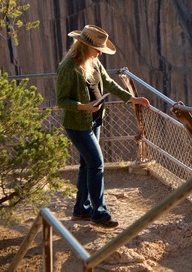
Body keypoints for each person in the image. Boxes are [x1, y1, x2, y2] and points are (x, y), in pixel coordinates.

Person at [56, 24, 150, 228]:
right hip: (78, 125)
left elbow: (107, 83)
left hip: (94, 121)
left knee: (86, 165)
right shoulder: (68, 67)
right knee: (96, 164)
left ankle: (81, 209)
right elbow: (61, 101)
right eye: (97, 48)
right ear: (84, 46)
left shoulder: (94, 62)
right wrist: (84, 107)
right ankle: (99, 213)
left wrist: (132, 99)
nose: (100, 52)